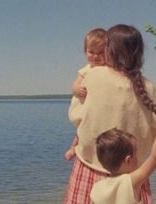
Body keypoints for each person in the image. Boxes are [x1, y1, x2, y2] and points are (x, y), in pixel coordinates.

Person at [64, 24, 156, 204]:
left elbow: (76, 116)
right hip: (132, 176)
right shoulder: (149, 88)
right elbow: (155, 134)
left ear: (110, 49)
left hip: (90, 168)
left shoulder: (93, 76)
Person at [90, 112, 156, 204]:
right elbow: (155, 156)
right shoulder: (130, 182)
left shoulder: (96, 188)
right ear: (128, 160)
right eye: (135, 152)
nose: (137, 156)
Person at [64, 28, 106, 161]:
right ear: (85, 51)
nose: (95, 56)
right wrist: (76, 89)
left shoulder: (109, 68)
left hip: (98, 109)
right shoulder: (86, 69)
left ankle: (79, 149)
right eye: (91, 52)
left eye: (101, 52)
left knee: (91, 131)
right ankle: (73, 148)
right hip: (84, 108)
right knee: (81, 130)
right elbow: (75, 84)